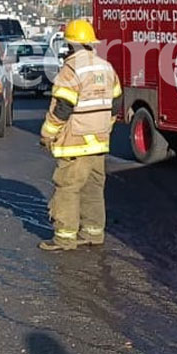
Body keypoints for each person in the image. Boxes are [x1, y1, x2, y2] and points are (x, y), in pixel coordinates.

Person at [37, 19, 121, 252]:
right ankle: (93, 233)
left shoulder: (71, 69)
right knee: (94, 187)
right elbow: (117, 101)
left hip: (77, 140)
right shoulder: (105, 66)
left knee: (68, 187)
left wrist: (47, 133)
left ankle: (64, 238)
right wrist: (107, 125)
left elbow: (63, 106)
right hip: (100, 139)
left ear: (70, 44)